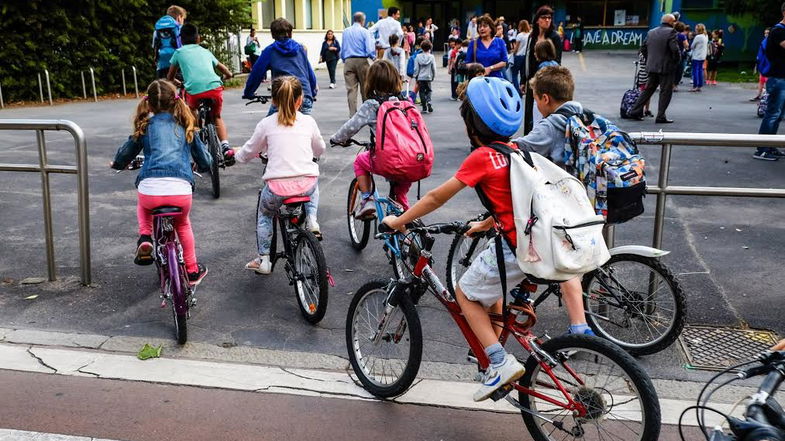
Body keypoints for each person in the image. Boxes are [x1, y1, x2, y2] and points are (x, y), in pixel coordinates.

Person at [382, 70, 594, 402]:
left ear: (471, 125)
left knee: (464, 293)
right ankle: (492, 350)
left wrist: (399, 221)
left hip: (517, 249)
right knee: (488, 287)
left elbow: (437, 197)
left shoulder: (482, 157)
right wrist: (487, 223)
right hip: (533, 243)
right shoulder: (517, 151)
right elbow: (517, 201)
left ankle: (498, 361)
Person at [110, 79, 211, 285]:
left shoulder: (145, 126)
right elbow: (205, 160)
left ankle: (145, 237)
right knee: (183, 224)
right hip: (180, 192)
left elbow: (125, 155)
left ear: (148, 104)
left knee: (143, 203)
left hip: (150, 192)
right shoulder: (186, 126)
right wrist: (201, 166)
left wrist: (117, 163)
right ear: (175, 102)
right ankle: (192, 270)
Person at [233, 76, 325, 273]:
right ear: (300, 100)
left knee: (265, 213)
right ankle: (312, 219)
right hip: (306, 183)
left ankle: (264, 259)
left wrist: (236, 156)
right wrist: (313, 155)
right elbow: (320, 148)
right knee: (313, 184)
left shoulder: (266, 124)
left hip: (277, 188)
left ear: (274, 101)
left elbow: (248, 151)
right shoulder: (308, 121)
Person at [331, 60, 415, 212]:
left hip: (389, 160)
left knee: (360, 161)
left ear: (371, 82)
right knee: (399, 199)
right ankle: (408, 229)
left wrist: (336, 139)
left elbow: (350, 127)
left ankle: (367, 200)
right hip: (412, 159)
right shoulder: (406, 102)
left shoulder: (372, 105)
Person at [167, 24, 234, 158]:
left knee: (192, 110)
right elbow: (226, 71)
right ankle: (226, 147)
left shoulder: (179, 53)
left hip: (194, 90)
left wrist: (179, 83)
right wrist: (227, 76)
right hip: (215, 88)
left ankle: (197, 139)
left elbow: (170, 76)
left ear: (181, 39)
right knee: (216, 116)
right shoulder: (206, 51)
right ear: (198, 38)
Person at [243, 18, 318, 118]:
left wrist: (249, 92)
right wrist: (312, 92)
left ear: (273, 35)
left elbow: (256, 74)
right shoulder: (300, 49)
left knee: (268, 128)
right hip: (303, 96)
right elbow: (309, 72)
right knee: (305, 127)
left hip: (281, 98)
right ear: (291, 33)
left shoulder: (270, 51)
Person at [627, 14, 680, 124]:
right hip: (666, 68)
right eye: (674, 21)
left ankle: (635, 111)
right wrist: (675, 62)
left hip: (652, 67)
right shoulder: (671, 32)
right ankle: (661, 116)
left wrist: (648, 61)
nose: (675, 23)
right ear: (670, 22)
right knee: (665, 92)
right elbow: (674, 49)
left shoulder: (651, 32)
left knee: (648, 90)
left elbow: (643, 48)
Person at [754, 2, 785, 161]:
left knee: (778, 115)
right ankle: (762, 149)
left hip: (782, 78)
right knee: (772, 114)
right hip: (778, 78)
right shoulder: (778, 31)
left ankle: (770, 145)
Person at [524, 6, 562, 134]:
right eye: (544, 17)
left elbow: (557, 62)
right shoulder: (532, 36)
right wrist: (524, 80)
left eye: (549, 18)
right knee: (530, 113)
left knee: (545, 115)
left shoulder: (554, 37)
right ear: (537, 20)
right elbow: (528, 59)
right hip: (532, 81)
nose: (547, 20)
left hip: (547, 83)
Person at [341, 12, 376, 116]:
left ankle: (352, 114)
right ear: (362, 21)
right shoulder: (365, 32)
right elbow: (369, 48)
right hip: (362, 61)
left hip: (349, 61)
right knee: (365, 88)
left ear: (353, 19)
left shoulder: (345, 31)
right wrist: (373, 57)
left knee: (351, 89)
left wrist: (344, 59)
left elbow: (343, 48)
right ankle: (366, 113)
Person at [153, 5, 186, 79]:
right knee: (179, 88)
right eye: (183, 19)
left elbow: (155, 48)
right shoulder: (181, 29)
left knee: (163, 88)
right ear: (179, 17)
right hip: (178, 66)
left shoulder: (157, 30)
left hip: (161, 66)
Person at [414, 40, 436, 113]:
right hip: (428, 77)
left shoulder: (418, 56)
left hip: (420, 77)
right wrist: (433, 76)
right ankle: (429, 101)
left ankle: (424, 107)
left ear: (421, 48)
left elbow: (416, 68)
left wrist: (416, 76)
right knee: (429, 90)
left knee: (422, 92)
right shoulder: (432, 57)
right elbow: (433, 68)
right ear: (430, 47)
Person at [511, 20, 531, 95]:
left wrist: (513, 53)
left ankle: (517, 91)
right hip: (525, 56)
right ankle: (522, 88)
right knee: (523, 74)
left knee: (514, 74)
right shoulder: (529, 35)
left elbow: (516, 48)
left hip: (518, 56)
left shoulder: (519, 35)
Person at [752, 28, 771, 101]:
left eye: (768, 33)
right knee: (761, 80)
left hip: (768, 64)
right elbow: (760, 53)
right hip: (762, 63)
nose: (766, 34)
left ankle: (767, 96)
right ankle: (759, 95)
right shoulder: (764, 41)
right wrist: (757, 62)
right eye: (765, 33)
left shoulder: (771, 42)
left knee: (767, 80)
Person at [690, 24, 708, 92]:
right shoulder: (705, 36)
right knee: (700, 70)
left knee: (695, 71)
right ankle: (699, 85)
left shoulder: (698, 37)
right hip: (703, 56)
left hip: (697, 56)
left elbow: (692, 46)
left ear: (698, 30)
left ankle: (695, 86)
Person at [673, 22, 689, 91]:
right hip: (680, 55)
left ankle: (669, 84)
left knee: (672, 70)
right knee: (679, 70)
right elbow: (686, 45)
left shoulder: (672, 34)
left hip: (671, 54)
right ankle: (675, 85)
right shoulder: (682, 36)